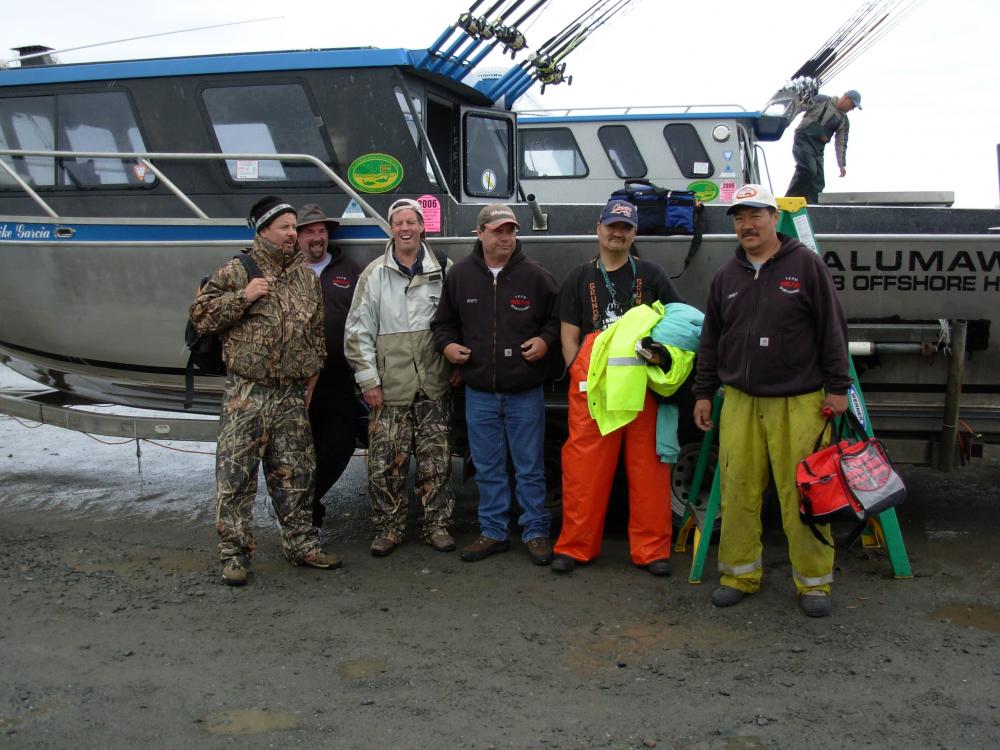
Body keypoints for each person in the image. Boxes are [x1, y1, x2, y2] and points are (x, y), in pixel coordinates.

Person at [692, 183, 852, 617]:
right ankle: (739, 574)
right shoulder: (726, 276)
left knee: (803, 493)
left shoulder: (806, 266)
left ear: (774, 218)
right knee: (738, 489)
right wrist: (704, 391)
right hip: (740, 400)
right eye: (739, 218)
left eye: (755, 215)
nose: (747, 225)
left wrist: (839, 388)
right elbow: (711, 341)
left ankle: (814, 583)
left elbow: (832, 330)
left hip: (798, 401)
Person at [190, 195, 340, 586]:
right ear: (263, 230)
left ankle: (302, 544)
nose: (294, 233)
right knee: (237, 476)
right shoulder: (237, 270)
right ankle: (235, 555)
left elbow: (316, 333)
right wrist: (244, 296)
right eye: (286, 227)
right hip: (248, 391)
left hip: (290, 393)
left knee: (297, 473)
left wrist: (311, 377)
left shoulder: (305, 276)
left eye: (295, 227)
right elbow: (201, 317)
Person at [551, 198, 682, 576]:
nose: (617, 232)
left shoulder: (652, 275)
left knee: (649, 473)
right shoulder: (579, 277)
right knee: (583, 471)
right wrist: (580, 375)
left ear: (634, 233)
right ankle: (575, 547)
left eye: (625, 227)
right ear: (599, 228)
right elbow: (569, 337)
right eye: (612, 226)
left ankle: (652, 551)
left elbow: (677, 326)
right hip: (596, 394)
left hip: (643, 391)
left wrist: (663, 361)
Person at [431, 203, 560, 565]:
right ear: (480, 233)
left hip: (524, 392)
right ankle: (493, 532)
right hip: (480, 393)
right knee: (488, 467)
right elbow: (442, 323)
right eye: (498, 231)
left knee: (530, 466)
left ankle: (535, 532)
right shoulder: (460, 276)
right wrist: (448, 345)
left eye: (511, 231)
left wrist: (546, 341)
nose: (505, 238)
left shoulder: (535, 275)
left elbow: (560, 318)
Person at [344, 198, 456, 557]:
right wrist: (368, 381)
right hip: (389, 388)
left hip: (433, 386)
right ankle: (388, 528)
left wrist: (457, 366)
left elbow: (459, 324)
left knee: (436, 462)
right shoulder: (374, 274)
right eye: (398, 223)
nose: (405, 229)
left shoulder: (445, 270)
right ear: (390, 229)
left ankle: (436, 525)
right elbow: (357, 331)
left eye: (411, 222)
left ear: (423, 227)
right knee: (386, 464)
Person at [296, 203, 362, 529]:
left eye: (322, 231)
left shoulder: (349, 270)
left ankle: (305, 500)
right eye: (309, 232)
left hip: (337, 376)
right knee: (297, 448)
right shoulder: (286, 272)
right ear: (296, 237)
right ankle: (303, 514)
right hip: (295, 378)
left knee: (341, 442)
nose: (317, 237)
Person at [786, 89, 861, 204]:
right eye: (852, 105)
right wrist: (785, 122)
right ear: (846, 98)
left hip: (818, 148)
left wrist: (841, 164)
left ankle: (812, 208)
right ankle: (789, 201)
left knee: (819, 181)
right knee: (808, 169)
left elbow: (841, 143)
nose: (852, 109)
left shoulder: (844, 121)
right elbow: (798, 107)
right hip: (803, 140)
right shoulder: (821, 100)